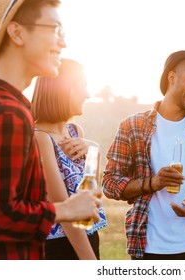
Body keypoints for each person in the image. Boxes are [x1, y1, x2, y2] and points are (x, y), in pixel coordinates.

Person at [0, 0, 102, 260]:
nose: (63, 43)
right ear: (17, 32)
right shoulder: (8, 113)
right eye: (55, 30)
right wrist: (65, 211)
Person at [103, 49, 185, 260]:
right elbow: (110, 182)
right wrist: (152, 183)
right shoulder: (132, 126)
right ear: (171, 77)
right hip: (147, 248)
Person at [31, 58, 108, 260]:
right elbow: (63, 207)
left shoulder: (75, 132)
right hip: (58, 247)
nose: (87, 94)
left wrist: (95, 150)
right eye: (82, 86)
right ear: (62, 90)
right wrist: (89, 261)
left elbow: (90, 195)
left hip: (89, 235)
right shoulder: (40, 138)